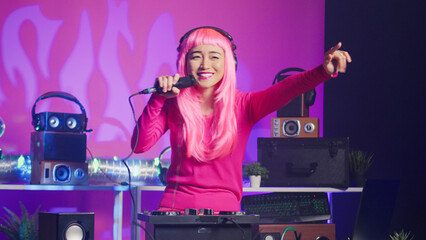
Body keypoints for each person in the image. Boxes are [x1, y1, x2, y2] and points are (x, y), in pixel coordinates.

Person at [131, 26, 351, 212]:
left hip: (226, 216)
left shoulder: (245, 105)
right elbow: (140, 146)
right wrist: (158, 97)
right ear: (184, 63)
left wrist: (322, 71)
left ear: (229, 64)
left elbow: (287, 89)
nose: (205, 65)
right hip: (174, 210)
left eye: (214, 56)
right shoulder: (172, 103)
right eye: (196, 56)